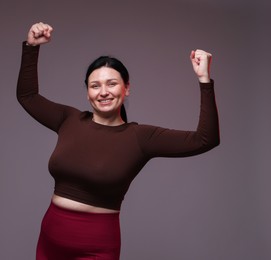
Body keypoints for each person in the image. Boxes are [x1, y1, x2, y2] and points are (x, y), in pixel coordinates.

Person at [16, 22, 220, 260]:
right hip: (50, 240)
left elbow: (205, 139)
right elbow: (27, 96)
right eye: (95, 85)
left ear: (127, 89)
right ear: (88, 92)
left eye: (111, 83)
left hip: (96, 248)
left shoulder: (140, 138)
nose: (103, 92)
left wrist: (204, 79)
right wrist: (31, 46)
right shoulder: (69, 120)